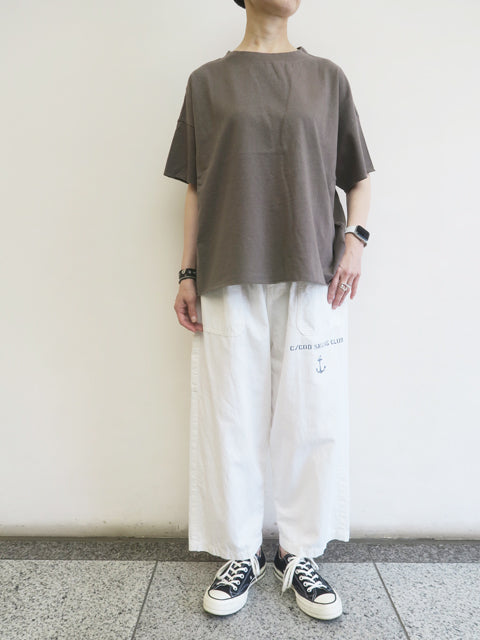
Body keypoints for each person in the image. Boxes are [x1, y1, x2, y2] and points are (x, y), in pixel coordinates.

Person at [163, 0, 375, 622]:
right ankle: (239, 552)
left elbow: (359, 177)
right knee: (231, 415)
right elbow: (195, 186)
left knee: (312, 417)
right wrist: (186, 271)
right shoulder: (206, 82)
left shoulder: (327, 78)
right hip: (229, 268)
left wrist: (356, 242)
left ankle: (298, 551)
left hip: (313, 271)